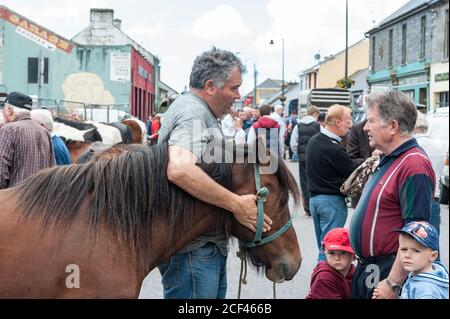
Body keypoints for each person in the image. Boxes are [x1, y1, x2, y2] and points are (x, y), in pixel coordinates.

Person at [157, 48, 272, 299]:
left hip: (199, 248)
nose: (238, 95)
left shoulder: (200, 111)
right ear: (211, 86)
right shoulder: (193, 112)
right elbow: (179, 168)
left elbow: (204, 157)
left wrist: (243, 152)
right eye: (234, 88)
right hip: (193, 251)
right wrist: (235, 204)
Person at [349, 91, 435, 299]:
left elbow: (415, 235)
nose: (365, 127)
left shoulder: (414, 164)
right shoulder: (391, 158)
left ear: (393, 127)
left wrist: (393, 283)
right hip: (371, 269)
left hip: (387, 272)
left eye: (371, 121)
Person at [305, 104, 355, 261]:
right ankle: (324, 283)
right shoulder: (334, 149)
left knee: (323, 248)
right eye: (348, 120)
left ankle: (320, 281)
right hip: (331, 202)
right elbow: (352, 173)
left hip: (314, 200)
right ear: (338, 122)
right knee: (331, 250)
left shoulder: (314, 141)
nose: (350, 124)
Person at [373, 221, 448, 299]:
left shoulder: (427, 292)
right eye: (404, 249)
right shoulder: (418, 273)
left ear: (433, 256)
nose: (407, 255)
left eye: (416, 251)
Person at [0, 92, 55, 189]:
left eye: (3, 109)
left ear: (9, 110)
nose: (3, 113)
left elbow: (1, 174)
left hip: (14, 199)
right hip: (40, 199)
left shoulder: (8, 130)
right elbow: (53, 169)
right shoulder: (44, 131)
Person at [414, 111, 448, 235]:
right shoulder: (442, 145)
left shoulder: (411, 144)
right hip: (434, 199)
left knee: (413, 245)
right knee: (432, 246)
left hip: (414, 201)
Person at [306, 228, 356, 299]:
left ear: (353, 255)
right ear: (324, 252)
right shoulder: (323, 277)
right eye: (331, 253)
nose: (337, 258)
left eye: (343, 253)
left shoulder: (355, 272)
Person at [290, 105, 321, 217]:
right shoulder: (318, 126)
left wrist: (297, 153)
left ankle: (307, 209)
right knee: (315, 181)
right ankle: (315, 207)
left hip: (303, 157)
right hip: (315, 157)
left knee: (304, 182)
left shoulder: (298, 126)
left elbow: (293, 143)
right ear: (315, 114)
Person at [346, 119, 375, 208]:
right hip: (362, 191)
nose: (366, 128)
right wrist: (372, 160)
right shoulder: (357, 129)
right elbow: (351, 160)